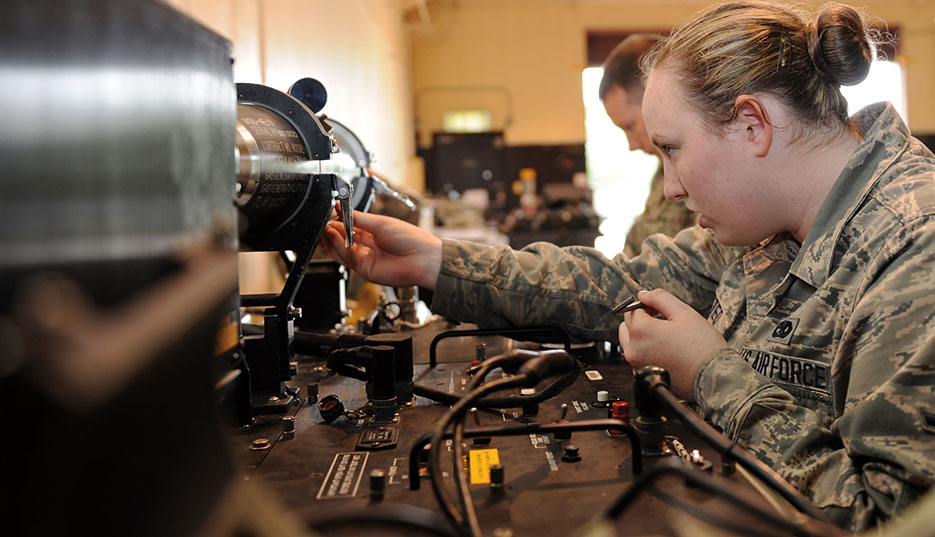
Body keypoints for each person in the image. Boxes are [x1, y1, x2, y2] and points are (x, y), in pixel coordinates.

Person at [322, 1, 935, 530]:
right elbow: (611, 285)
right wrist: (436, 263)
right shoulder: (769, 224)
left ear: (753, 125)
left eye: (672, 149)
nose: (668, 187)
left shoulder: (914, 252)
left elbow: (882, 519)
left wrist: (708, 371)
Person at [599, 34, 696, 256]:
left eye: (630, 126)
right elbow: (633, 253)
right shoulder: (662, 174)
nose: (631, 145)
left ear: (654, 102)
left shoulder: (702, 172)